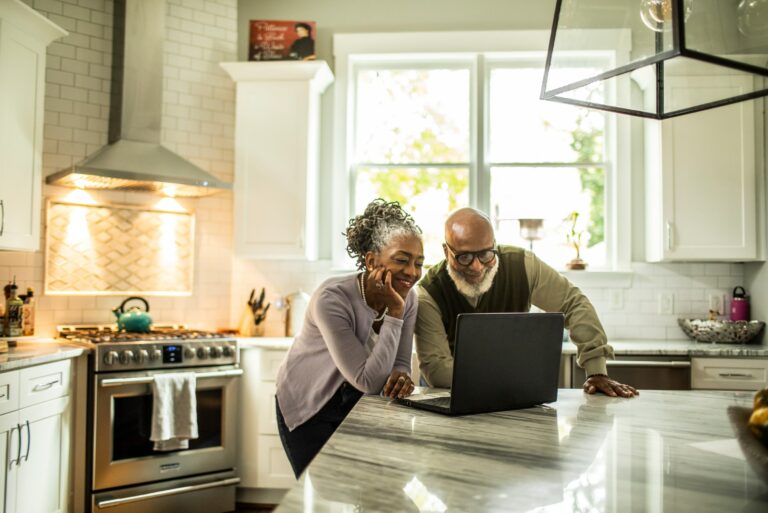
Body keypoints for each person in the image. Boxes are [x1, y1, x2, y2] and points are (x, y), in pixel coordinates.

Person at [415, 207, 638, 398]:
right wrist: (515, 378)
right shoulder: (428, 293)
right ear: (446, 251)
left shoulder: (523, 266)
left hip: (512, 393)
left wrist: (596, 370)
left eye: (486, 254)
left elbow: (573, 304)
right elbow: (438, 370)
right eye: (464, 257)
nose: (477, 267)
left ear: (494, 244)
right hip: (449, 396)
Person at [275, 199, 424, 477]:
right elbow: (369, 381)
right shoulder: (331, 299)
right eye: (402, 260)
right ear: (371, 261)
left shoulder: (409, 298)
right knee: (318, 493)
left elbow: (400, 364)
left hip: (356, 404)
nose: (412, 272)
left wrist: (401, 376)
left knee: (362, 488)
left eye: (419, 263)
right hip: (309, 404)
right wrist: (395, 312)